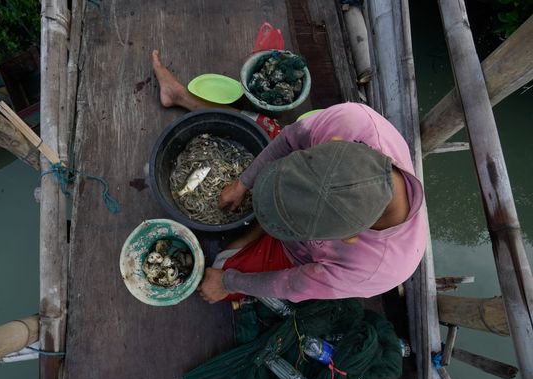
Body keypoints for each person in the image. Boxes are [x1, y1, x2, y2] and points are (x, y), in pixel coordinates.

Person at [151, 50, 426, 303]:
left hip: (299, 256)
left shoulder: (373, 269)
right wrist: (242, 182)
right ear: (336, 142)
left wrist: (227, 281)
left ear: (350, 237)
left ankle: (258, 236)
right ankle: (180, 95)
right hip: (299, 200)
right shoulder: (354, 121)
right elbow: (289, 138)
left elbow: (292, 284)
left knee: (218, 272)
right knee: (266, 127)